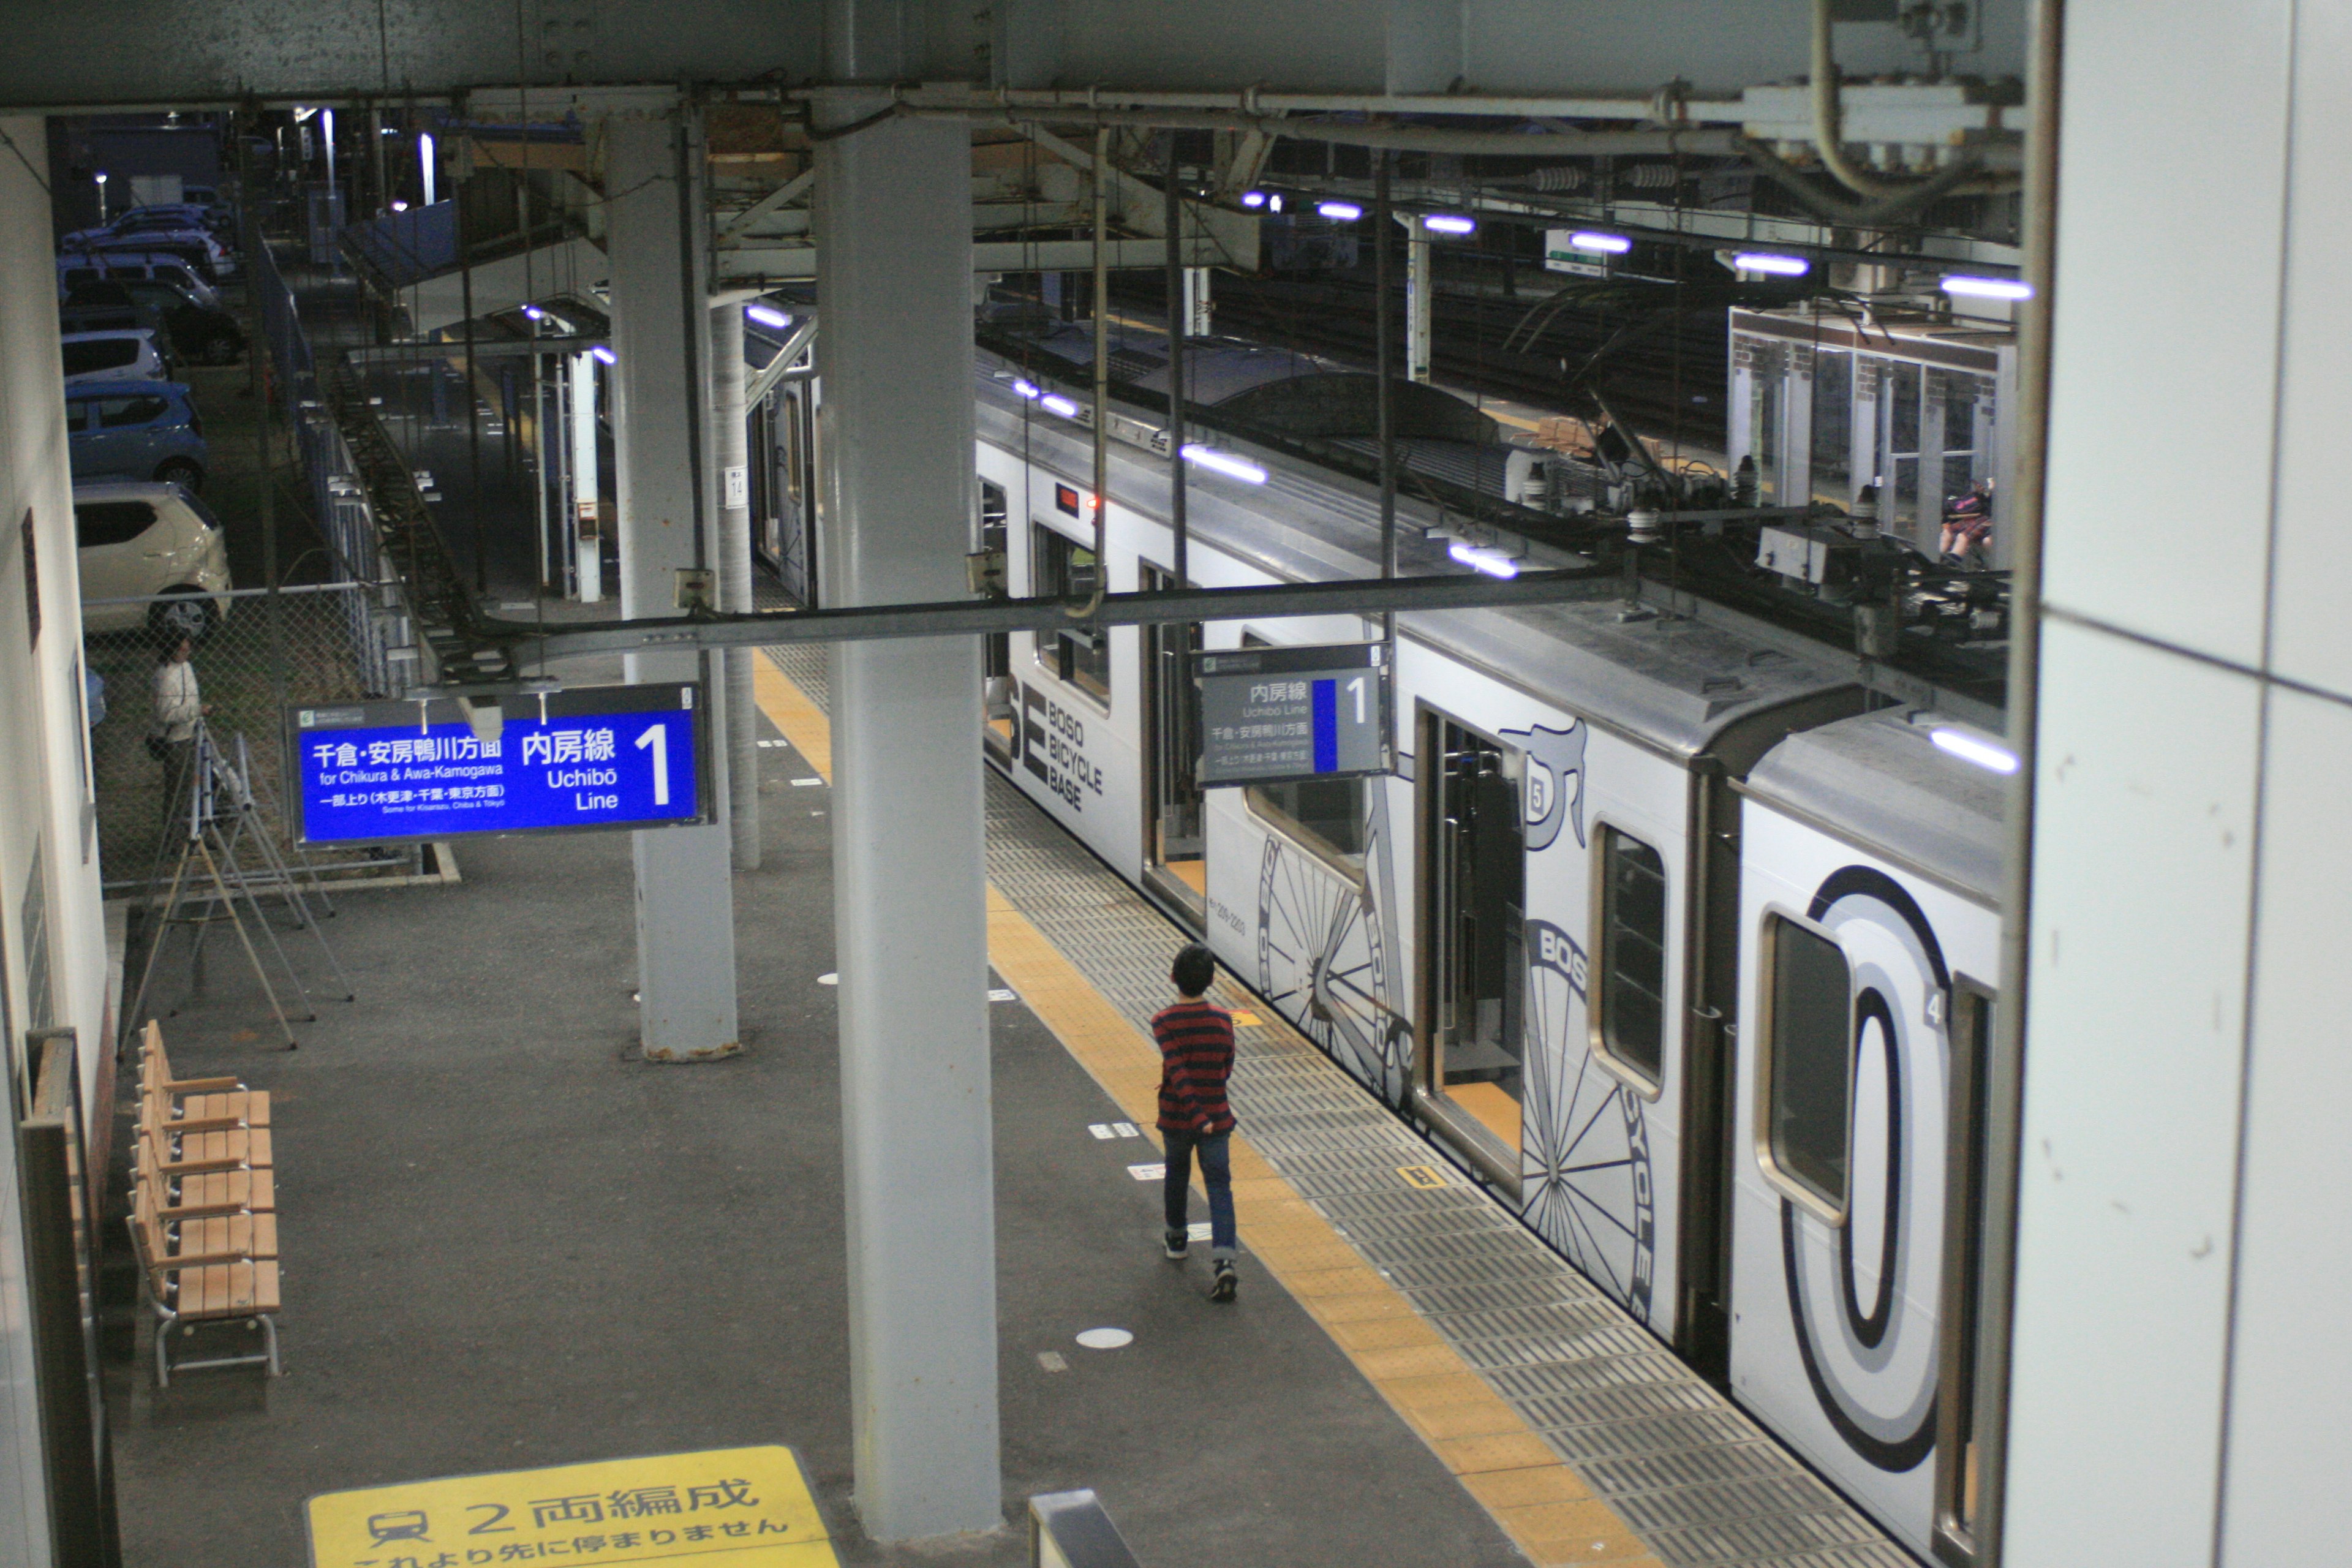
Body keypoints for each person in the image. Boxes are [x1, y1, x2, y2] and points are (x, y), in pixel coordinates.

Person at [1154, 942, 1239, 1302]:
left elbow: (1177, 1073)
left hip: (1178, 1117)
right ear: (1211, 980)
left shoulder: (1164, 1022)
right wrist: (1208, 1112)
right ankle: (1224, 1262)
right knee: (1219, 1186)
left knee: (1177, 1174)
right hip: (1218, 1117)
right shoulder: (1223, 1020)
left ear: (1173, 977)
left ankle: (1177, 1238)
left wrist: (1195, 1115)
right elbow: (1226, 1066)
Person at [150, 636, 207, 831]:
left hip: (192, 733)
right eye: (182, 650)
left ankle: (196, 830)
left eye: (188, 649)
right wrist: (197, 711)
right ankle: (174, 837)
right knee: (178, 792)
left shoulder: (186, 668)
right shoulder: (166, 677)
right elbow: (167, 714)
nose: (187, 653)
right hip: (175, 739)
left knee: (197, 786)